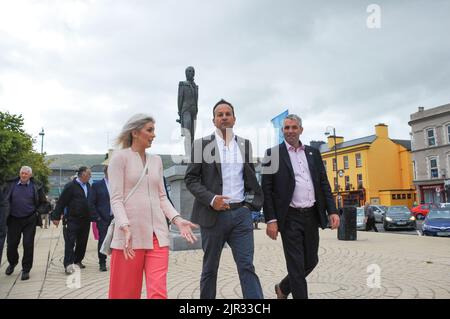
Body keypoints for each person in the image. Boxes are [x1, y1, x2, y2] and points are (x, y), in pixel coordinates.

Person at [108, 113, 197, 299]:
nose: (154, 135)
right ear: (135, 132)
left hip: (158, 236)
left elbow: (162, 197)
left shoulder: (156, 161)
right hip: (129, 237)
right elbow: (115, 198)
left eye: (153, 130)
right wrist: (124, 226)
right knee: (125, 293)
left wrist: (177, 220)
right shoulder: (119, 158)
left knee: (158, 293)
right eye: (150, 130)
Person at [185, 99, 264, 299]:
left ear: (234, 119)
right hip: (212, 216)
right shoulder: (201, 145)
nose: (224, 117)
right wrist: (212, 199)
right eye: (219, 115)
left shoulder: (245, 145)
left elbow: (250, 179)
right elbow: (191, 179)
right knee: (210, 268)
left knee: (247, 266)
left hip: (240, 215)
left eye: (227, 114)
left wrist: (248, 206)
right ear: (214, 120)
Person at [261, 114, 340, 299]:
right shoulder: (272, 154)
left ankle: (282, 287)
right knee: (296, 265)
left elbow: (323, 183)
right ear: (282, 131)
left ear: (301, 130)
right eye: (287, 128)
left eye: (294, 127)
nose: (290, 131)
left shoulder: (313, 153)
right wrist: (271, 220)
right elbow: (267, 189)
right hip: (289, 217)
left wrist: (333, 211)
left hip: (311, 215)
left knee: (311, 260)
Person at [3, 166, 48, 280]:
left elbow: (44, 203)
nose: (23, 175)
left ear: (30, 175)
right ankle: (12, 262)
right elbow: (4, 200)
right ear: (19, 174)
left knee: (28, 245)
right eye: (22, 173)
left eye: (26, 174)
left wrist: (38, 212)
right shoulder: (10, 185)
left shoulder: (36, 186)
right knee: (11, 245)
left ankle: (26, 269)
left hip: (29, 219)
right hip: (13, 219)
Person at [52, 166, 92, 274]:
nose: (90, 176)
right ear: (83, 174)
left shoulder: (88, 185)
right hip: (72, 219)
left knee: (82, 243)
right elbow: (61, 201)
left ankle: (78, 260)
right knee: (70, 243)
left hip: (85, 220)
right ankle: (68, 265)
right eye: (89, 174)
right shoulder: (70, 186)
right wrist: (56, 217)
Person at [88, 165, 113, 271]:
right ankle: (102, 262)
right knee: (103, 240)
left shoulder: (119, 184)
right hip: (102, 218)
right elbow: (91, 203)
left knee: (118, 241)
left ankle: (117, 263)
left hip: (116, 218)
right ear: (106, 172)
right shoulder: (97, 185)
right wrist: (97, 217)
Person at [177, 66, 199, 157]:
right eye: (188, 71)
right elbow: (179, 98)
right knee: (187, 133)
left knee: (193, 135)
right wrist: (179, 112)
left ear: (194, 73)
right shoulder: (182, 84)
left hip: (194, 112)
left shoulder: (196, 86)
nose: (190, 73)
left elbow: (196, 100)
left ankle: (191, 155)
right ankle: (187, 155)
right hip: (185, 110)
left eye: (191, 71)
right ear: (185, 73)